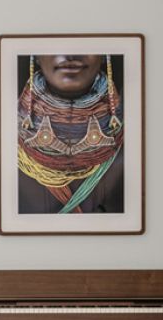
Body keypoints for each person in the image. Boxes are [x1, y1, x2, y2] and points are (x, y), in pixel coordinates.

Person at [17, 54, 124, 214]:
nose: (70, 55)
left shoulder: (138, 142)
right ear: (37, 57)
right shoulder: (0, 138)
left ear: (103, 56)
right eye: (53, 42)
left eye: (86, 42)